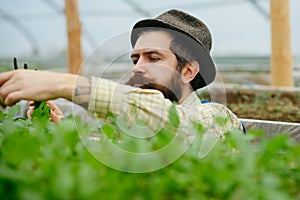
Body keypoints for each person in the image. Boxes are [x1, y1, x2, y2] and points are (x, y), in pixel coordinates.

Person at [0, 9, 245, 139]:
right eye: (135, 58)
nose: (137, 67)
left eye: (153, 57)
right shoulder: (131, 128)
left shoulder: (217, 118)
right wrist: (60, 129)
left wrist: (67, 84)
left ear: (188, 71)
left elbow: (175, 124)